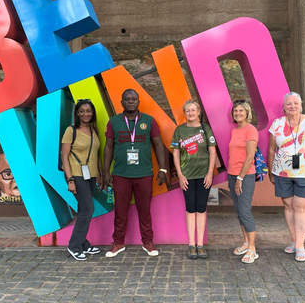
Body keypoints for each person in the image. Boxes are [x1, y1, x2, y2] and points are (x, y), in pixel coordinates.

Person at [103, 89, 167, 258]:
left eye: (133, 99)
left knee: (144, 210)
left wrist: (163, 169)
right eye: (127, 99)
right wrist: (106, 171)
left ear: (138, 102)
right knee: (120, 211)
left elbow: (159, 145)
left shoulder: (149, 121)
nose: (130, 101)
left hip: (144, 174)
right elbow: (108, 147)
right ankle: (118, 243)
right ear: (121, 102)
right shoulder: (114, 122)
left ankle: (148, 242)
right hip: (121, 174)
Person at [268, 92, 305, 262]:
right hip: (282, 173)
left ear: (301, 104)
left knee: (301, 207)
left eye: (295, 103)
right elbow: (272, 150)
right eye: (289, 104)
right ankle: (293, 240)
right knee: (288, 206)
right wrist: (272, 171)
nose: (292, 106)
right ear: (284, 107)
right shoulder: (277, 124)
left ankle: (300, 245)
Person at [170, 99, 217, 259]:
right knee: (190, 207)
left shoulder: (206, 129)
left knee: (201, 207)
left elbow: (212, 151)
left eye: (193, 110)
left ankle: (201, 245)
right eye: (187, 111)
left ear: (198, 112)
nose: (190, 113)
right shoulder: (180, 130)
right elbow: (176, 153)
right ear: (185, 113)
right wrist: (180, 175)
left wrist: (210, 173)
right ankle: (192, 245)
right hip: (187, 176)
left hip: (204, 175)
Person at [61, 99, 103, 261]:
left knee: (83, 209)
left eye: (89, 111)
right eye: (82, 111)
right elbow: (64, 156)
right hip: (76, 175)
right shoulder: (71, 131)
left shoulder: (94, 130)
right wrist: (70, 180)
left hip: (91, 175)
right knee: (88, 209)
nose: (86, 114)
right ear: (77, 113)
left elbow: (96, 154)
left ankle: (83, 243)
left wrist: (99, 174)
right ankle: (74, 246)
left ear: (92, 113)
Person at [228, 100, 259, 263]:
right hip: (232, 175)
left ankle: (253, 249)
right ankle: (246, 242)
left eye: (241, 110)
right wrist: (234, 176)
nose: (238, 113)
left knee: (245, 211)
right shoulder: (235, 131)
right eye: (235, 111)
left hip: (245, 176)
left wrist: (240, 178)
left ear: (247, 112)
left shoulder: (251, 130)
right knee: (239, 210)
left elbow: (249, 157)